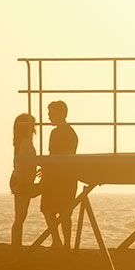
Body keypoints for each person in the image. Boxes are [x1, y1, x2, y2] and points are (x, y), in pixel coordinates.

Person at [40, 101, 78, 248]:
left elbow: (58, 155)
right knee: (62, 211)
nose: (49, 116)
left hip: (59, 177)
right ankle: (64, 243)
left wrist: (47, 168)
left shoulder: (58, 133)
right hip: (66, 176)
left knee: (50, 209)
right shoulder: (70, 132)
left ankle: (58, 241)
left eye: (51, 113)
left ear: (60, 113)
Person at [10, 113, 40, 248]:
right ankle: (16, 244)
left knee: (21, 215)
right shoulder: (25, 143)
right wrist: (22, 183)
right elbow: (22, 164)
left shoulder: (23, 142)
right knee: (20, 216)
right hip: (22, 180)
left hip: (22, 179)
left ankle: (17, 244)